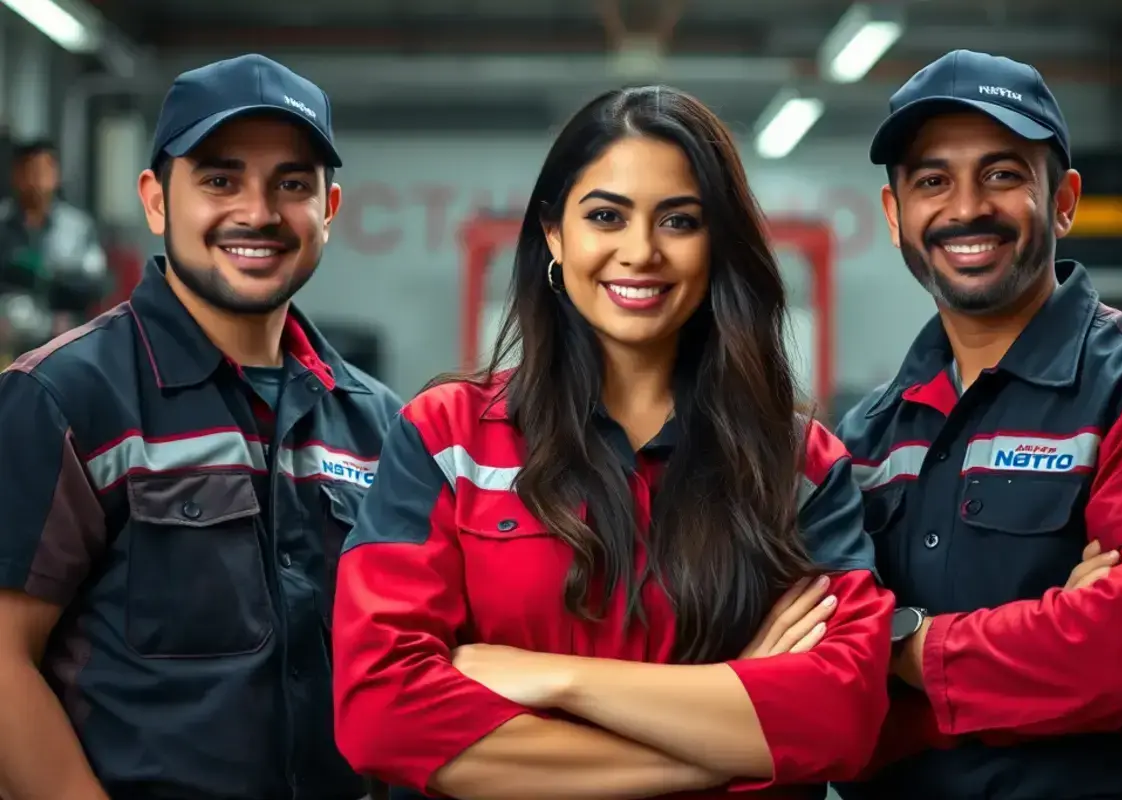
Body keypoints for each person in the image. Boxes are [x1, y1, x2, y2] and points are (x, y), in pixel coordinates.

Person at [331, 85, 894, 800]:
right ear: (555, 237)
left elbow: (841, 717)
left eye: (680, 221)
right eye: (606, 216)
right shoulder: (445, 441)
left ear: (717, 243)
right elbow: (383, 715)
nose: (641, 252)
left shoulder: (799, 465)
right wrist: (734, 736)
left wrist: (559, 680)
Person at [0, 54, 400, 800]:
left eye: (292, 184)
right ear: (156, 201)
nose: (258, 212)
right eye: (220, 180)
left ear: (330, 209)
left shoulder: (377, 425)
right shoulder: (62, 401)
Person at [832, 49, 1122, 800]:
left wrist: (898, 642)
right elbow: (823, 681)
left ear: (1063, 200)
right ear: (894, 213)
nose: (965, 208)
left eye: (1002, 174)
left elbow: (1119, 655)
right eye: (932, 181)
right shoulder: (865, 435)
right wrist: (1044, 637)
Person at [0, 140, 110, 351]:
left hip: (65, 344)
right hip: (9, 346)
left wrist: (44, 276)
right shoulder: (3, 225)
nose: (36, 180)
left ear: (56, 175)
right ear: (16, 175)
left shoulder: (78, 228)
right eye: (29, 171)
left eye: (44, 170)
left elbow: (95, 283)